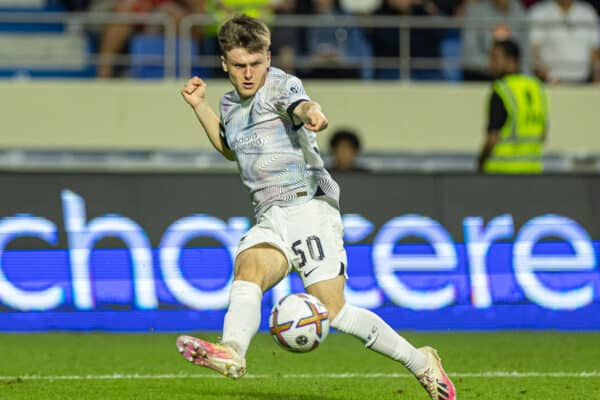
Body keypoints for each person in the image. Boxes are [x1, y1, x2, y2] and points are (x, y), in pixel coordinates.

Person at [176, 14, 456, 400]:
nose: (248, 73)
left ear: (268, 57)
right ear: (224, 63)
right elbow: (229, 147)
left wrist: (313, 115)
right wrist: (199, 106)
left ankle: (420, 361)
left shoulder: (280, 86)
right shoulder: (228, 104)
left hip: (309, 208)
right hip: (270, 216)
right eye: (239, 65)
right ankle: (233, 351)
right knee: (248, 269)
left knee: (336, 312)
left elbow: (302, 105)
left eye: (256, 64)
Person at [478, 39, 548, 173]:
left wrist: (480, 162)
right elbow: (543, 134)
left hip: (502, 171)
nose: (490, 64)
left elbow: (493, 137)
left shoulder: (501, 90)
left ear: (511, 60)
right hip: (532, 169)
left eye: (495, 58)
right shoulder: (536, 87)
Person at [529, 0, 600, 83]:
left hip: (584, 81)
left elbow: (595, 51)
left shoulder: (587, 12)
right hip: (549, 82)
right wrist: (552, 78)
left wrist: (597, 80)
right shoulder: (539, 12)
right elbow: (533, 52)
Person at [462, 0, 526, 81]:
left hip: (513, 76)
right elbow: (470, 55)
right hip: (482, 76)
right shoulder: (475, 12)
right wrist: (495, 63)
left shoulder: (520, 12)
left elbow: (525, 55)